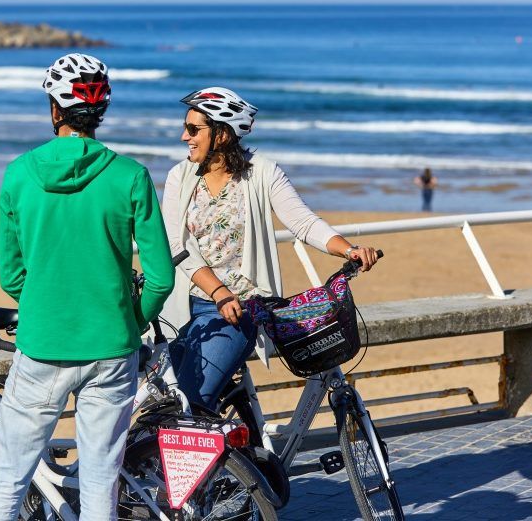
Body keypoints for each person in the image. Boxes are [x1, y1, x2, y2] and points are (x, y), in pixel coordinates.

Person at [0, 53, 174, 521]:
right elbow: (161, 276)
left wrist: (46, 304)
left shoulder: (19, 173)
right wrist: (128, 320)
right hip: (111, 349)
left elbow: (12, 276)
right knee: (101, 484)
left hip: (43, 344)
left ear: (55, 109)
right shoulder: (131, 176)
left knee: (6, 481)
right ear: (100, 112)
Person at [162, 87, 380, 410]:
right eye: (186, 127)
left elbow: (303, 222)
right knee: (172, 405)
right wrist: (218, 291)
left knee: (192, 405)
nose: (184, 137)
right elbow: (178, 245)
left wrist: (349, 250)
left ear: (221, 134)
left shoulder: (262, 172)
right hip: (182, 310)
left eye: (194, 129)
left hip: (238, 312)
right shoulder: (179, 177)